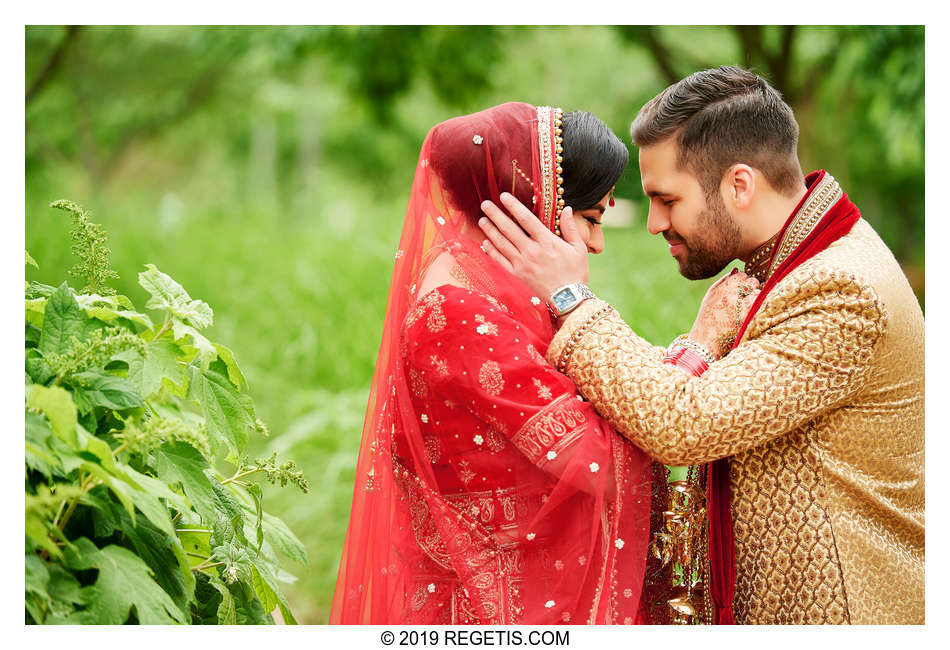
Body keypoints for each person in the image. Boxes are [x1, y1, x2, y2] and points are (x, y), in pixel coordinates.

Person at [477, 68, 925, 625]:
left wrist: (572, 298)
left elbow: (683, 423)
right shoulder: (793, 262)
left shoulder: (840, 289)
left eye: (667, 199)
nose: (654, 224)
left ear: (739, 185)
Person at [329, 102, 743, 624]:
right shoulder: (457, 309)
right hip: (495, 611)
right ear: (533, 205)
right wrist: (698, 352)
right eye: (591, 219)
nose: (595, 242)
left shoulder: (488, 288)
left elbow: (584, 401)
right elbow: (595, 463)